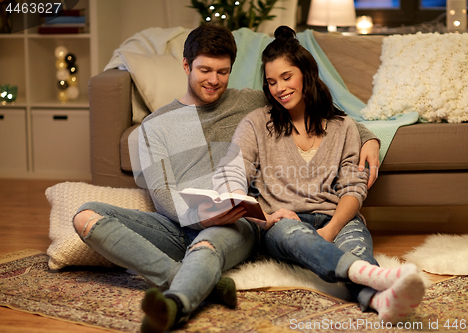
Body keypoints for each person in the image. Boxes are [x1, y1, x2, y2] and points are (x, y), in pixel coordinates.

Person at [73, 24, 381, 332]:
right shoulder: (155, 125)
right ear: (185, 65)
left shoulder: (248, 102)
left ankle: (177, 302)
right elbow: (164, 197)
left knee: (208, 242)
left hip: (233, 222)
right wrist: (201, 217)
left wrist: (368, 138)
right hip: (179, 222)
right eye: (205, 70)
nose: (213, 80)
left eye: (223, 72)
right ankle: (194, 280)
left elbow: (312, 105)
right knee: (86, 215)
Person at [212, 26, 425, 323]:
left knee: (355, 239)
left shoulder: (344, 127)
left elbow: (353, 189)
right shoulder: (256, 124)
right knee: (291, 232)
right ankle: (372, 275)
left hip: (336, 216)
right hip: (284, 223)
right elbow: (232, 175)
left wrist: (332, 229)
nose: (279, 88)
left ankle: (379, 299)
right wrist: (262, 218)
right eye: (272, 82)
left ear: (306, 75)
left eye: (287, 77)